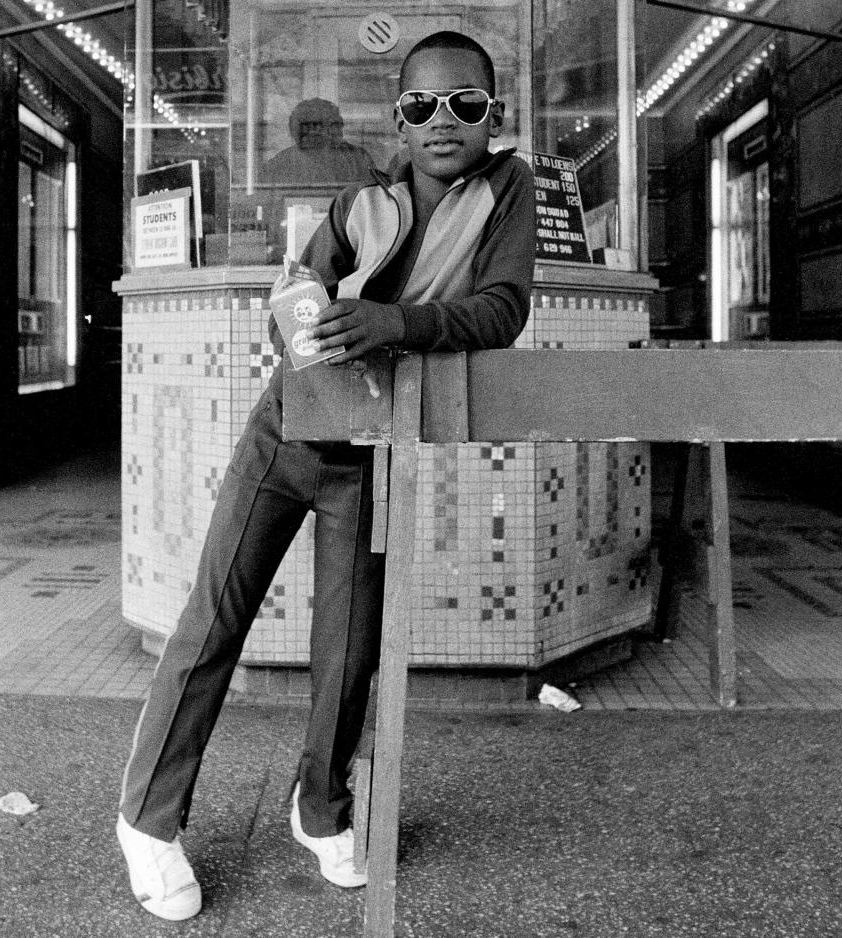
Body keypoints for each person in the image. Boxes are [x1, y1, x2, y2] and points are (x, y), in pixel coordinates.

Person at [115, 30, 536, 921]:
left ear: (492, 113)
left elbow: (502, 311)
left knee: (347, 653)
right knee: (214, 619)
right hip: (290, 432)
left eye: (466, 103)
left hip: (376, 449)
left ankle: (322, 810)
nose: (443, 120)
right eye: (422, 105)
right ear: (399, 116)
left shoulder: (509, 190)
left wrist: (390, 323)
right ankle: (147, 822)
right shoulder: (359, 200)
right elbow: (301, 291)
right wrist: (300, 313)